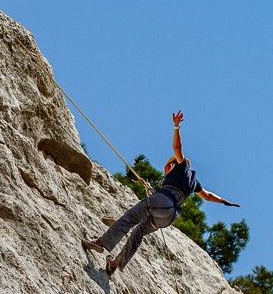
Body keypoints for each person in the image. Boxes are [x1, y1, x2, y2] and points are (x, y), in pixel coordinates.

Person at [83, 111, 238, 275]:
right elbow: (207, 196)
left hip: (163, 202)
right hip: (170, 216)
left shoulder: (181, 165)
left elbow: (177, 148)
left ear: (172, 165)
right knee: (139, 233)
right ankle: (115, 264)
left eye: (167, 169)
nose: (166, 172)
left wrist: (176, 126)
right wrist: (224, 201)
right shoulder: (194, 182)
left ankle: (102, 243)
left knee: (129, 219)